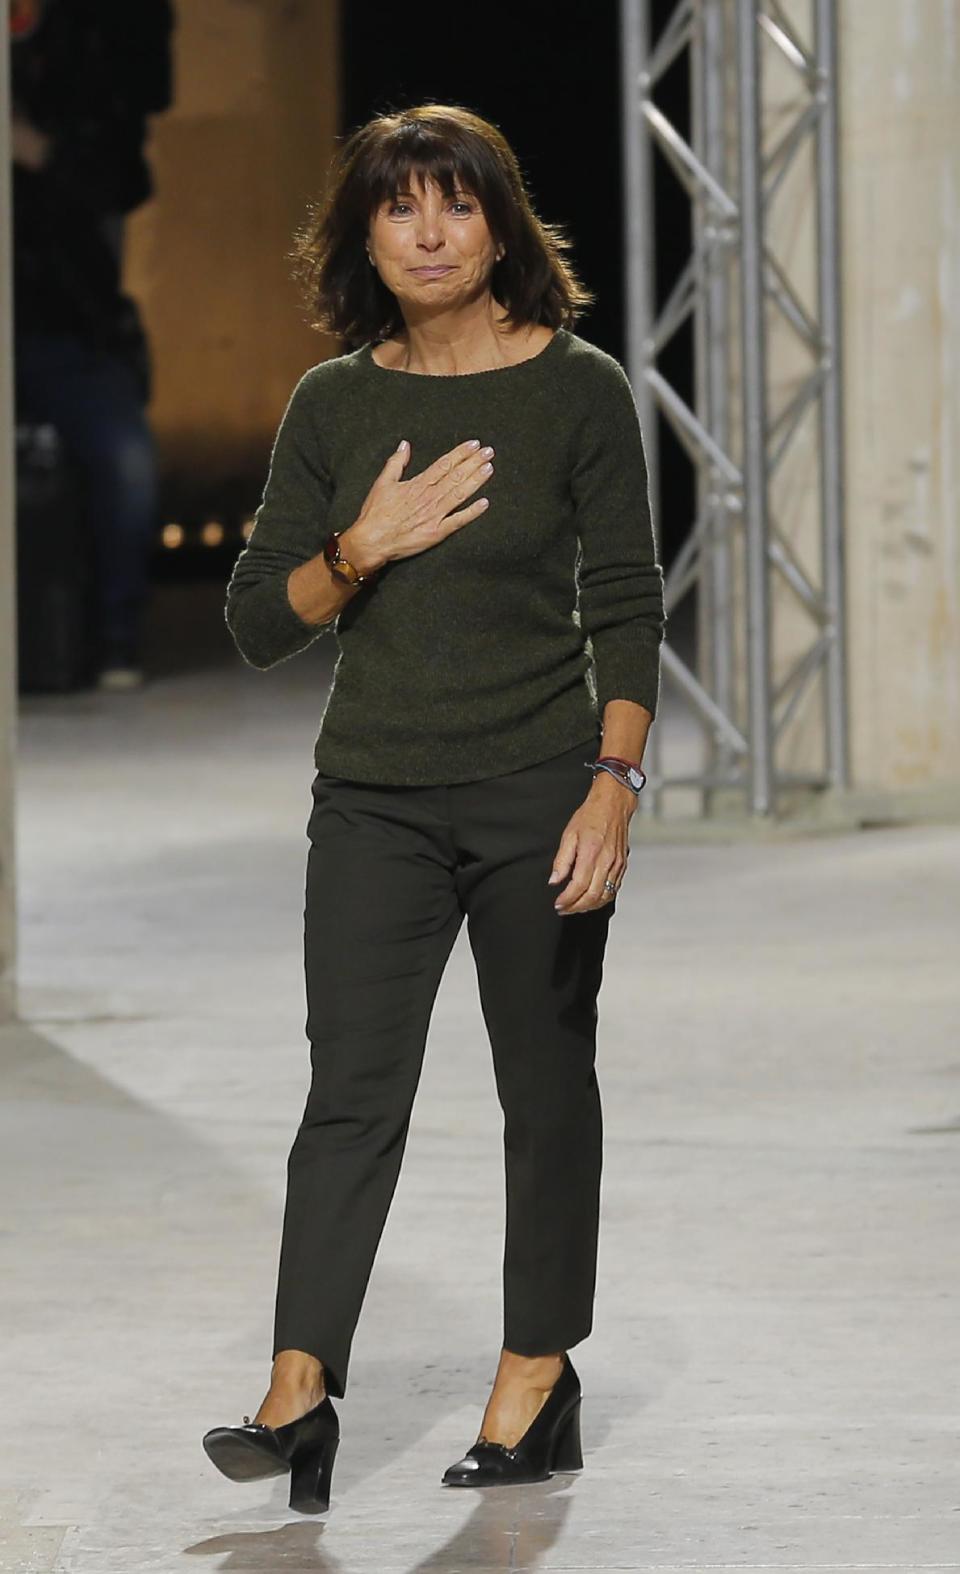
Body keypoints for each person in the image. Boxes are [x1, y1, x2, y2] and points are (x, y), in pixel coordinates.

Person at [201, 103, 666, 1515]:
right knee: (349, 1092)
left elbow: (629, 606)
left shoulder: (578, 390)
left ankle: (536, 1369)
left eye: (454, 205)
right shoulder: (334, 406)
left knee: (544, 1087)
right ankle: (297, 1391)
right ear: (363, 238)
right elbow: (253, 622)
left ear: (500, 220)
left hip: (540, 788)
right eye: (397, 209)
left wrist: (616, 783)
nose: (427, 232)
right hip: (375, 804)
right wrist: (364, 545)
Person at [10, 0, 174, 689]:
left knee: (126, 461)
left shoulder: (92, 43)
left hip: (61, 324)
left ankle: (115, 640)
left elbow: (118, 180)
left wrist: (31, 147)